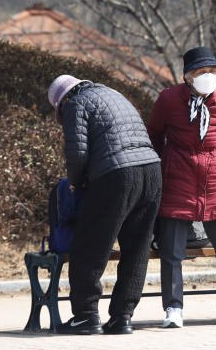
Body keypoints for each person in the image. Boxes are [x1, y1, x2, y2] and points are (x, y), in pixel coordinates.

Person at [47, 75, 162, 335]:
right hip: (152, 171)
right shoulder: (113, 94)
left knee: (89, 246)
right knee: (137, 247)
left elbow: (77, 152)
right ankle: (122, 317)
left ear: (63, 100)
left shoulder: (76, 104)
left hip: (117, 174)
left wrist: (76, 182)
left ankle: (86, 316)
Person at [146, 47, 216, 328]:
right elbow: (154, 132)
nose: (207, 76)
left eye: (212, 72)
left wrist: (212, 156)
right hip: (177, 176)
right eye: (201, 72)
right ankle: (173, 308)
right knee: (172, 250)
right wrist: (164, 162)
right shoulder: (169, 99)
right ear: (187, 76)